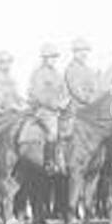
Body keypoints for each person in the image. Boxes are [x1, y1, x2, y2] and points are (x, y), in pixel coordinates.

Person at [28, 43, 66, 172]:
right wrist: (55, 105)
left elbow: (63, 90)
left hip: (59, 110)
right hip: (44, 110)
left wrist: (65, 101)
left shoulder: (57, 74)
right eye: (51, 57)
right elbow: (39, 95)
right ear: (44, 58)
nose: (54, 60)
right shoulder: (38, 74)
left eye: (55, 57)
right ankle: (49, 162)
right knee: (53, 132)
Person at [65, 38, 98, 107]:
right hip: (77, 109)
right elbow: (78, 93)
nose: (84, 53)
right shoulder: (72, 69)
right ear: (74, 52)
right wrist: (93, 100)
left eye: (86, 50)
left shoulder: (88, 70)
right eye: (80, 51)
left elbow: (95, 88)